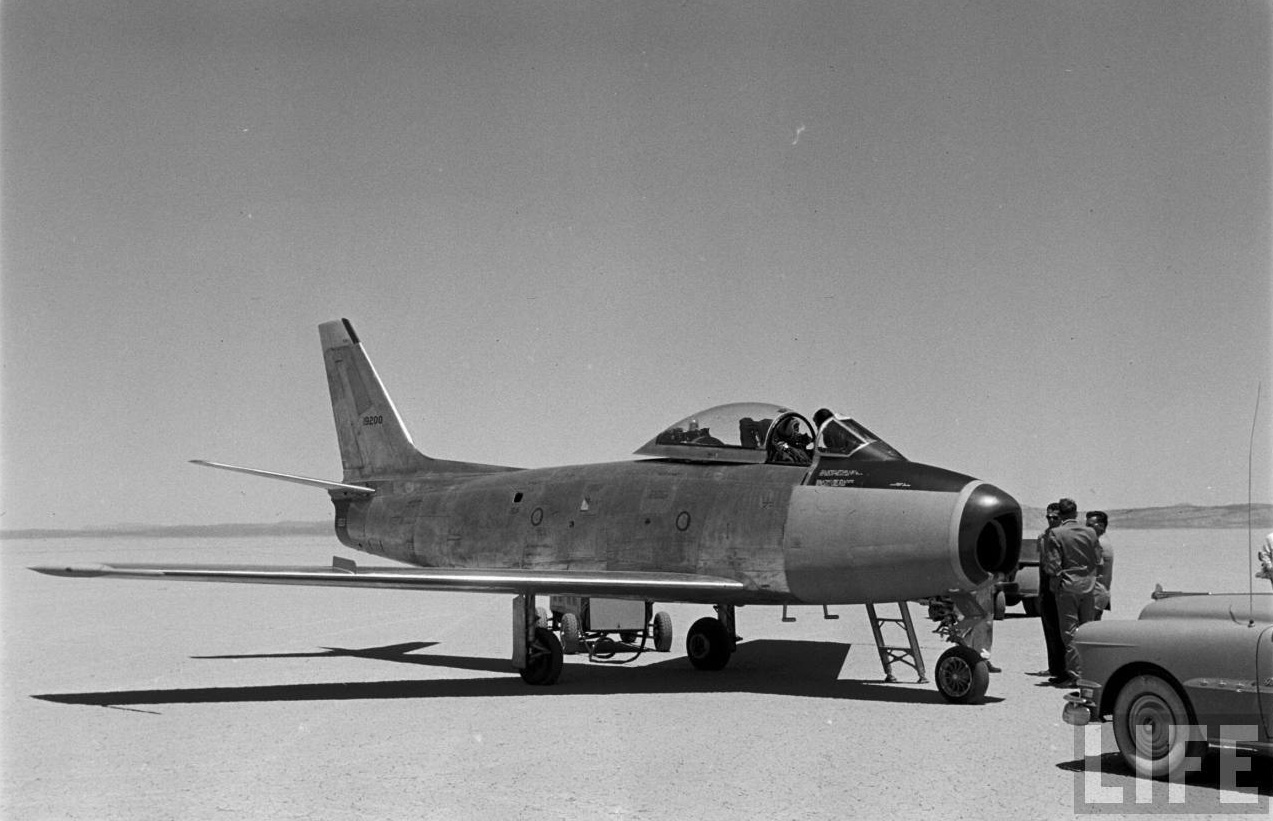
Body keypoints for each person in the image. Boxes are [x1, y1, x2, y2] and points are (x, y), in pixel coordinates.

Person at [1041, 498, 1103, 687]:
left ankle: (1075, 675)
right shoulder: (1091, 533)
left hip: (1068, 587)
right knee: (1088, 630)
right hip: (1088, 585)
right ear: (1076, 513)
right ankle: (1090, 672)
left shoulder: (1056, 533)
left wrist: (1056, 580)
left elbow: (1053, 565)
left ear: (1061, 514)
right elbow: (1098, 558)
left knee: (1070, 633)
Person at [1030, 503, 1066, 681]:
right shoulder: (1043, 536)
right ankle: (1054, 667)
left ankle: (1063, 669)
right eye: (1049, 517)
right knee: (1049, 626)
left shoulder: (1063, 536)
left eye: (1055, 517)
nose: (1051, 520)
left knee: (1061, 629)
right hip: (1045, 584)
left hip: (1058, 585)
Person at [1086, 511, 1113, 619]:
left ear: (1101, 526)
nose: (1087, 529)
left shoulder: (1098, 544)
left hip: (1095, 595)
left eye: (1090, 526)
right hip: (1099, 594)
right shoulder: (1103, 541)